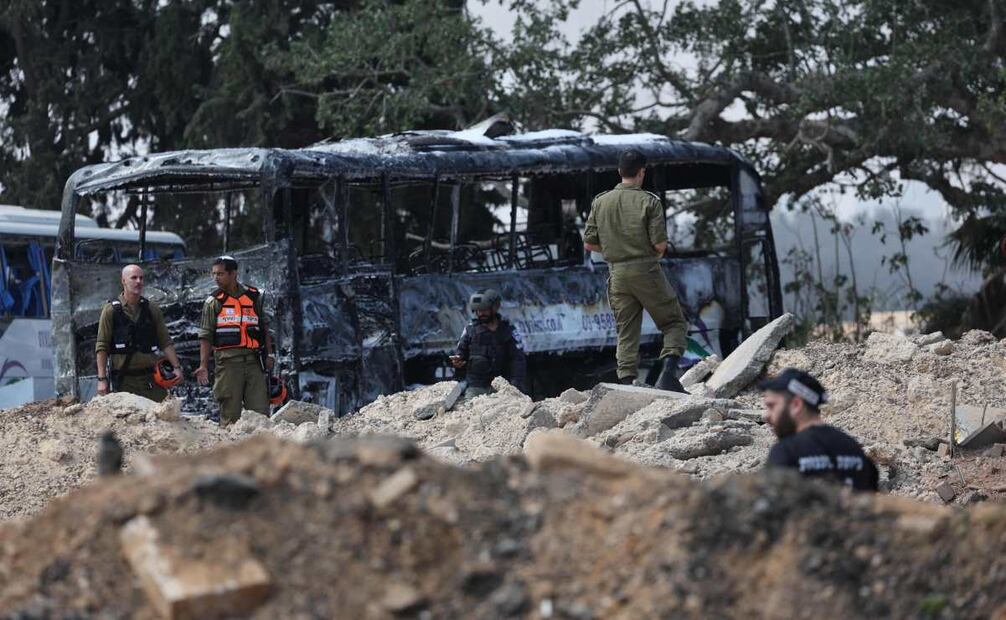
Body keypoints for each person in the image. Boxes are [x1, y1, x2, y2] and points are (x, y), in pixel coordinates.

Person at [583, 149, 688, 391]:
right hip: (646, 270)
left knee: (627, 330)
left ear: (619, 172)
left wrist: (613, 249)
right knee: (673, 323)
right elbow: (660, 245)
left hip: (616, 274)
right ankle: (668, 376)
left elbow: (589, 243)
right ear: (642, 172)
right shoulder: (649, 201)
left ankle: (627, 382)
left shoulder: (600, 201)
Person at [761, 368, 879, 492]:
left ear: (796, 405)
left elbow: (769, 505)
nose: (766, 415)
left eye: (771, 406)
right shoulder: (855, 450)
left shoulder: (786, 451)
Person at [194, 256, 272, 425]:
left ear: (233, 273)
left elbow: (264, 327)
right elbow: (206, 335)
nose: (216, 278)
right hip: (227, 365)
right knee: (230, 416)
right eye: (214, 274)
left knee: (261, 415)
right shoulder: (213, 302)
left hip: (254, 363)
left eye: (220, 274)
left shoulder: (254, 297)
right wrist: (203, 366)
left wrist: (270, 354)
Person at [95, 264, 183, 402]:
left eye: (141, 278)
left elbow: (165, 341)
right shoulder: (110, 311)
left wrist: (176, 368)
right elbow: (102, 346)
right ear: (123, 281)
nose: (138, 282)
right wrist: (102, 379)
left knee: (160, 417)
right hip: (124, 380)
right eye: (134, 278)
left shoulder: (151, 309)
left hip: (151, 380)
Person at [450, 289, 527, 398]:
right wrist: (458, 361)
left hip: (502, 386)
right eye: (478, 311)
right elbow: (461, 352)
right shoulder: (470, 330)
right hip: (476, 386)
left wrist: (515, 384)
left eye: (484, 310)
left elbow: (518, 360)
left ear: (494, 308)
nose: (481, 314)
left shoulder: (508, 331)